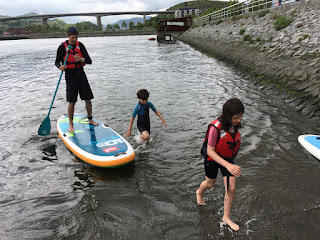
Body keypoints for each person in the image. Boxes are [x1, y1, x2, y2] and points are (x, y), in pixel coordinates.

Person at [196, 98, 244, 231]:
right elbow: (210, 151)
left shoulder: (235, 126)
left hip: (227, 158)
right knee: (210, 183)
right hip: (212, 158)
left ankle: (226, 217)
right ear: (227, 115)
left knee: (231, 188)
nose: (238, 121)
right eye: (235, 118)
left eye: (240, 117)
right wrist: (228, 165)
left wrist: (229, 165)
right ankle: (199, 193)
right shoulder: (215, 128)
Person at [55, 26, 98, 133]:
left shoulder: (80, 45)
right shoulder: (62, 47)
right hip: (70, 76)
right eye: (73, 37)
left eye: (76, 37)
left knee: (88, 99)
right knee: (72, 102)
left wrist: (81, 59)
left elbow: (89, 61)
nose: (74, 40)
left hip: (81, 74)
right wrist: (60, 67)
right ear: (68, 36)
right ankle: (71, 124)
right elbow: (57, 62)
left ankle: (90, 119)